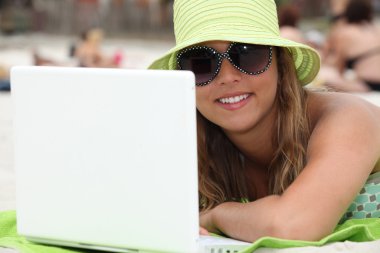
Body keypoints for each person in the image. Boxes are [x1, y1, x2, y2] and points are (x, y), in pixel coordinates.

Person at [149, 0, 380, 243]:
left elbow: (295, 225)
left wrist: (216, 216)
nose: (228, 77)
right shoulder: (191, 147)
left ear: (281, 63)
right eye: (201, 62)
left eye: (247, 54)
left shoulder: (347, 117)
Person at [323, 0, 380, 92]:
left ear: (347, 13)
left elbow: (339, 69)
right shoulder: (376, 29)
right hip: (371, 82)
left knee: (326, 80)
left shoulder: (344, 32)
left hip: (367, 84)